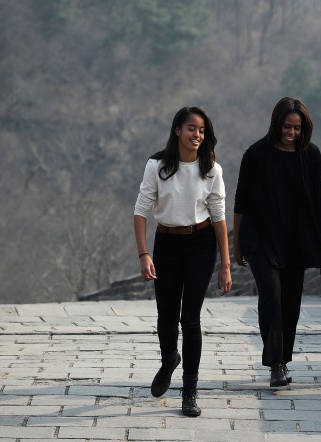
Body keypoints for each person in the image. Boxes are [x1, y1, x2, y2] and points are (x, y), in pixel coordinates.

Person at [133, 106, 232, 417]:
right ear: (177, 130)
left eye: (202, 130)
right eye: (191, 128)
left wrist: (226, 265)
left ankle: (189, 391)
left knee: (190, 319)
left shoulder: (211, 170)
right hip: (166, 244)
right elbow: (140, 211)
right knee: (166, 315)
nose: (197, 135)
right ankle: (168, 361)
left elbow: (219, 218)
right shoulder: (157, 166)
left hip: (201, 244)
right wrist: (143, 254)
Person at [233, 97, 321, 388]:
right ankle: (275, 364)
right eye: (287, 126)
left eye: (297, 128)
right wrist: (237, 245)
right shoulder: (256, 154)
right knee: (271, 295)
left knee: (291, 304)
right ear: (276, 124)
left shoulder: (310, 156)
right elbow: (241, 201)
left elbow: (316, 205)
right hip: (261, 238)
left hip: (295, 242)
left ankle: (283, 360)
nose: (292, 133)